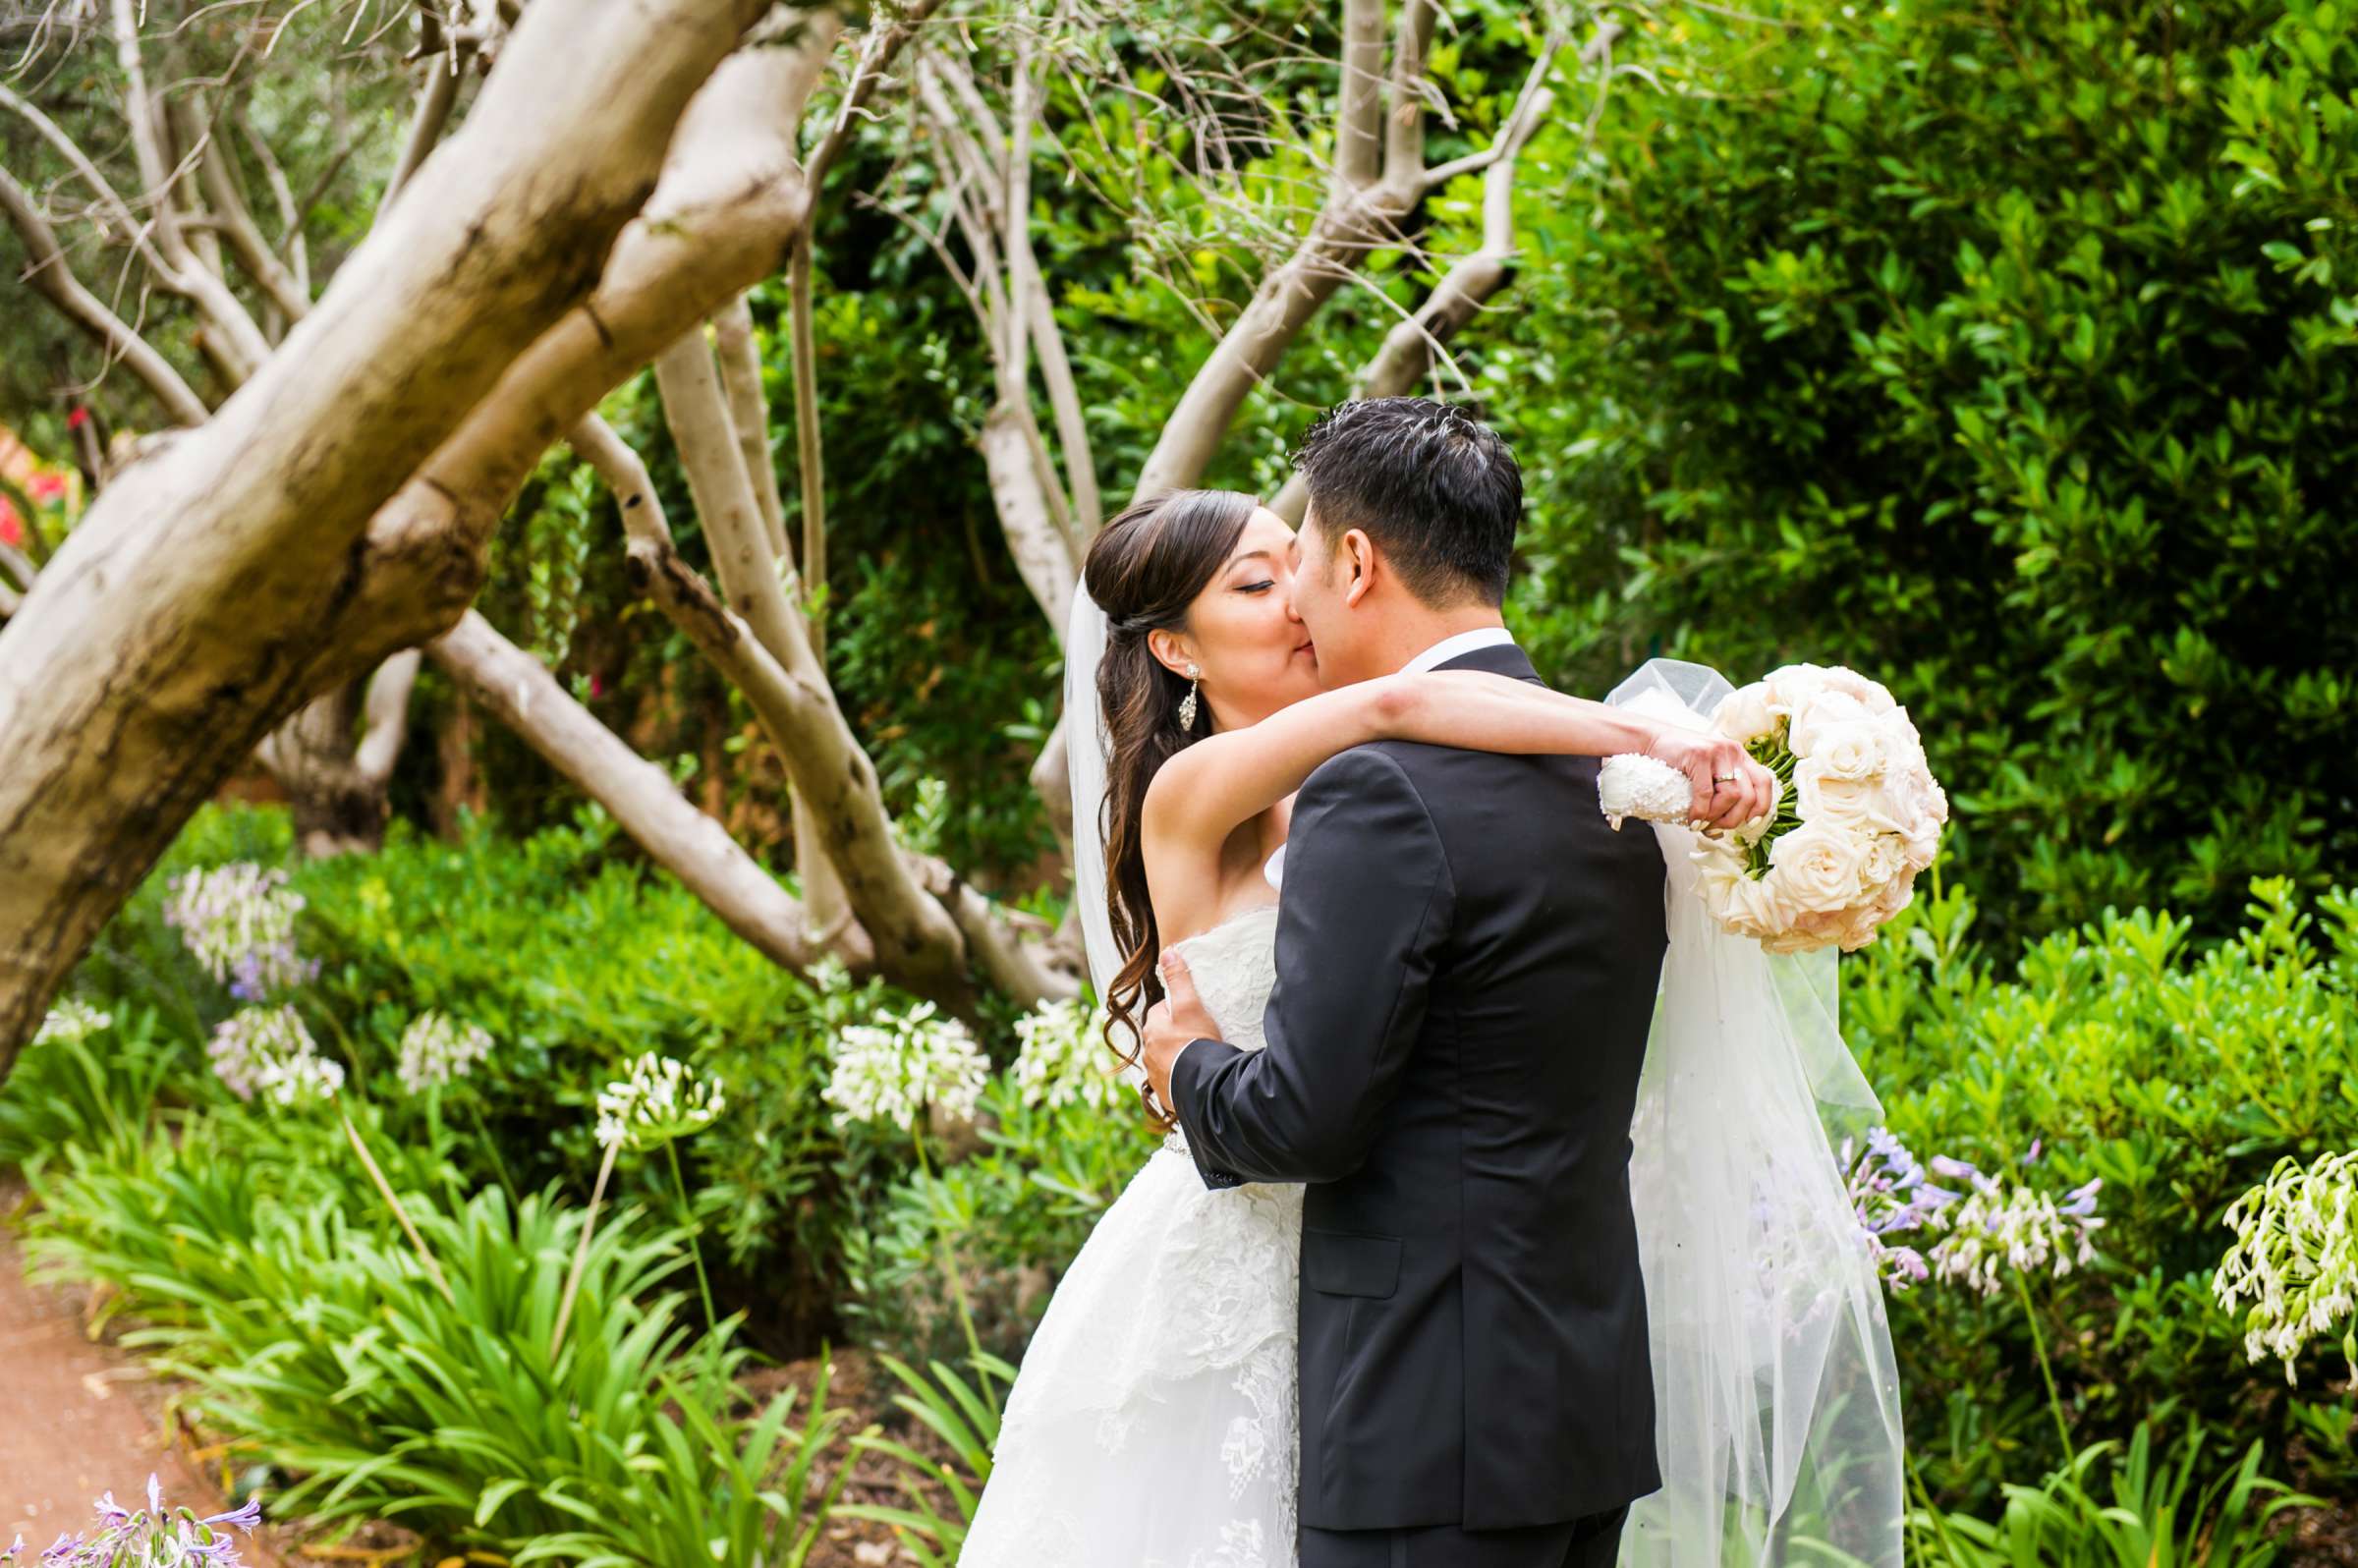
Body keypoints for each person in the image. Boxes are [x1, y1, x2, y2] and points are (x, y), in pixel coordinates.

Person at [964, 398, 1900, 1568]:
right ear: (1174, 646)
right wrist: (1644, 739)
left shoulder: (1410, 788)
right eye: (1252, 585)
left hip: (1412, 1376)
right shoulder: (1245, 793)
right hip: (1362, 1330)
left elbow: (1321, 1099)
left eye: (1288, 564)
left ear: (1353, 560)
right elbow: (1403, 700)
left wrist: (1184, 1063)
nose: (1294, 596)